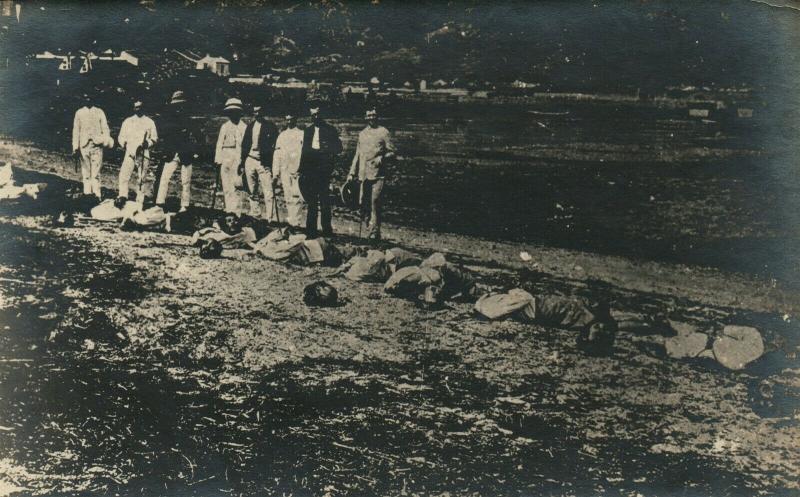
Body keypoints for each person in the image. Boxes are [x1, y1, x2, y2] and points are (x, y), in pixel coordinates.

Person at [347, 109, 396, 240]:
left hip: (378, 174)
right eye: (369, 115)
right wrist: (352, 173)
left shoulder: (384, 132)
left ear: (377, 116)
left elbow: (392, 152)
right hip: (363, 174)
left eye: (374, 114)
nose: (371, 117)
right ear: (365, 117)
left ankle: (375, 232)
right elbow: (357, 155)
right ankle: (369, 228)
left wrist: (383, 158)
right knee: (363, 204)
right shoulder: (362, 134)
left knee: (375, 202)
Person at [298, 105, 342, 238]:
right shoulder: (308, 131)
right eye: (313, 115)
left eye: (317, 114)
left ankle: (326, 231)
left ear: (321, 114)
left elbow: (338, 148)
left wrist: (328, 155)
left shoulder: (330, 130)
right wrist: (302, 170)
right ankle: (311, 232)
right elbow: (304, 152)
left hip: (323, 170)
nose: (315, 117)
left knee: (324, 201)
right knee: (311, 202)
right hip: (310, 170)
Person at [155, 90, 202, 212]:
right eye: (176, 105)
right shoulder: (168, 119)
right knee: (165, 178)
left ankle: (184, 206)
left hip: (185, 153)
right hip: (171, 153)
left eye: (181, 104)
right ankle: (160, 203)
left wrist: (195, 150)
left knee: (186, 181)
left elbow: (198, 136)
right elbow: (163, 133)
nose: (179, 107)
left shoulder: (189, 119)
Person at [239, 103, 279, 220]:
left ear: (263, 112)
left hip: (263, 162)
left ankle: (271, 218)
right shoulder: (250, 126)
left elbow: (275, 146)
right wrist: (242, 162)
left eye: (259, 111)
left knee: (268, 190)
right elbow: (244, 145)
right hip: (250, 160)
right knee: (252, 190)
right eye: (255, 112)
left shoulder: (270, 126)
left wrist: (270, 164)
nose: (257, 114)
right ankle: (255, 214)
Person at [72, 92, 113, 200]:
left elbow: (105, 129)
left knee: (95, 173)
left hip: (96, 146)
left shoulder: (99, 112)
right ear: (83, 99)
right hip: (84, 146)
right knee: (86, 172)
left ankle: (97, 196)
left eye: (90, 97)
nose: (88, 99)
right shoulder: (79, 113)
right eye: (85, 97)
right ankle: (87, 195)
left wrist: (104, 141)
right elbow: (76, 131)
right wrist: (75, 147)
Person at [117, 100, 158, 204]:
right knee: (124, 175)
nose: (138, 109)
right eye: (136, 107)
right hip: (130, 152)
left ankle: (140, 199)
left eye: (140, 107)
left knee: (141, 178)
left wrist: (148, 143)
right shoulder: (128, 121)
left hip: (143, 153)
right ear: (133, 108)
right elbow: (121, 137)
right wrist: (125, 144)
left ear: (143, 108)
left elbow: (154, 138)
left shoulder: (150, 122)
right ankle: (122, 196)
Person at [214, 98, 248, 214]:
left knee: (237, 184)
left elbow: (244, 146)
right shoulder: (225, 126)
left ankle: (237, 211)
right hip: (225, 156)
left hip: (237, 157)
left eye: (236, 112)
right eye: (231, 112)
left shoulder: (244, 127)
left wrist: (242, 161)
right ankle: (229, 209)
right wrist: (218, 159)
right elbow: (219, 144)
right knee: (226, 184)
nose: (233, 114)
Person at [272, 113, 305, 227]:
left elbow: (304, 153)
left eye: (291, 119)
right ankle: (291, 222)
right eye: (287, 120)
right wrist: (275, 173)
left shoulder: (301, 134)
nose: (289, 122)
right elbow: (277, 155)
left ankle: (297, 223)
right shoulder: (282, 136)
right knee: (288, 196)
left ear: (295, 120)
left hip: (297, 170)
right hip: (285, 170)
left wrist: (302, 168)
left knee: (297, 197)